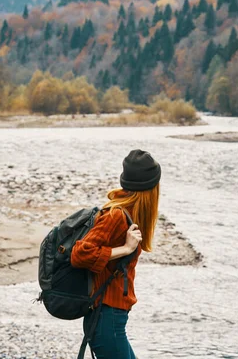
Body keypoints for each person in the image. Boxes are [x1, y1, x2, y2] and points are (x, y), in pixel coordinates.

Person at [71, 149, 161, 359]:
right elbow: (79, 254)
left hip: (112, 320)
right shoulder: (116, 216)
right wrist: (126, 249)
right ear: (149, 189)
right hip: (106, 319)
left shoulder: (128, 215)